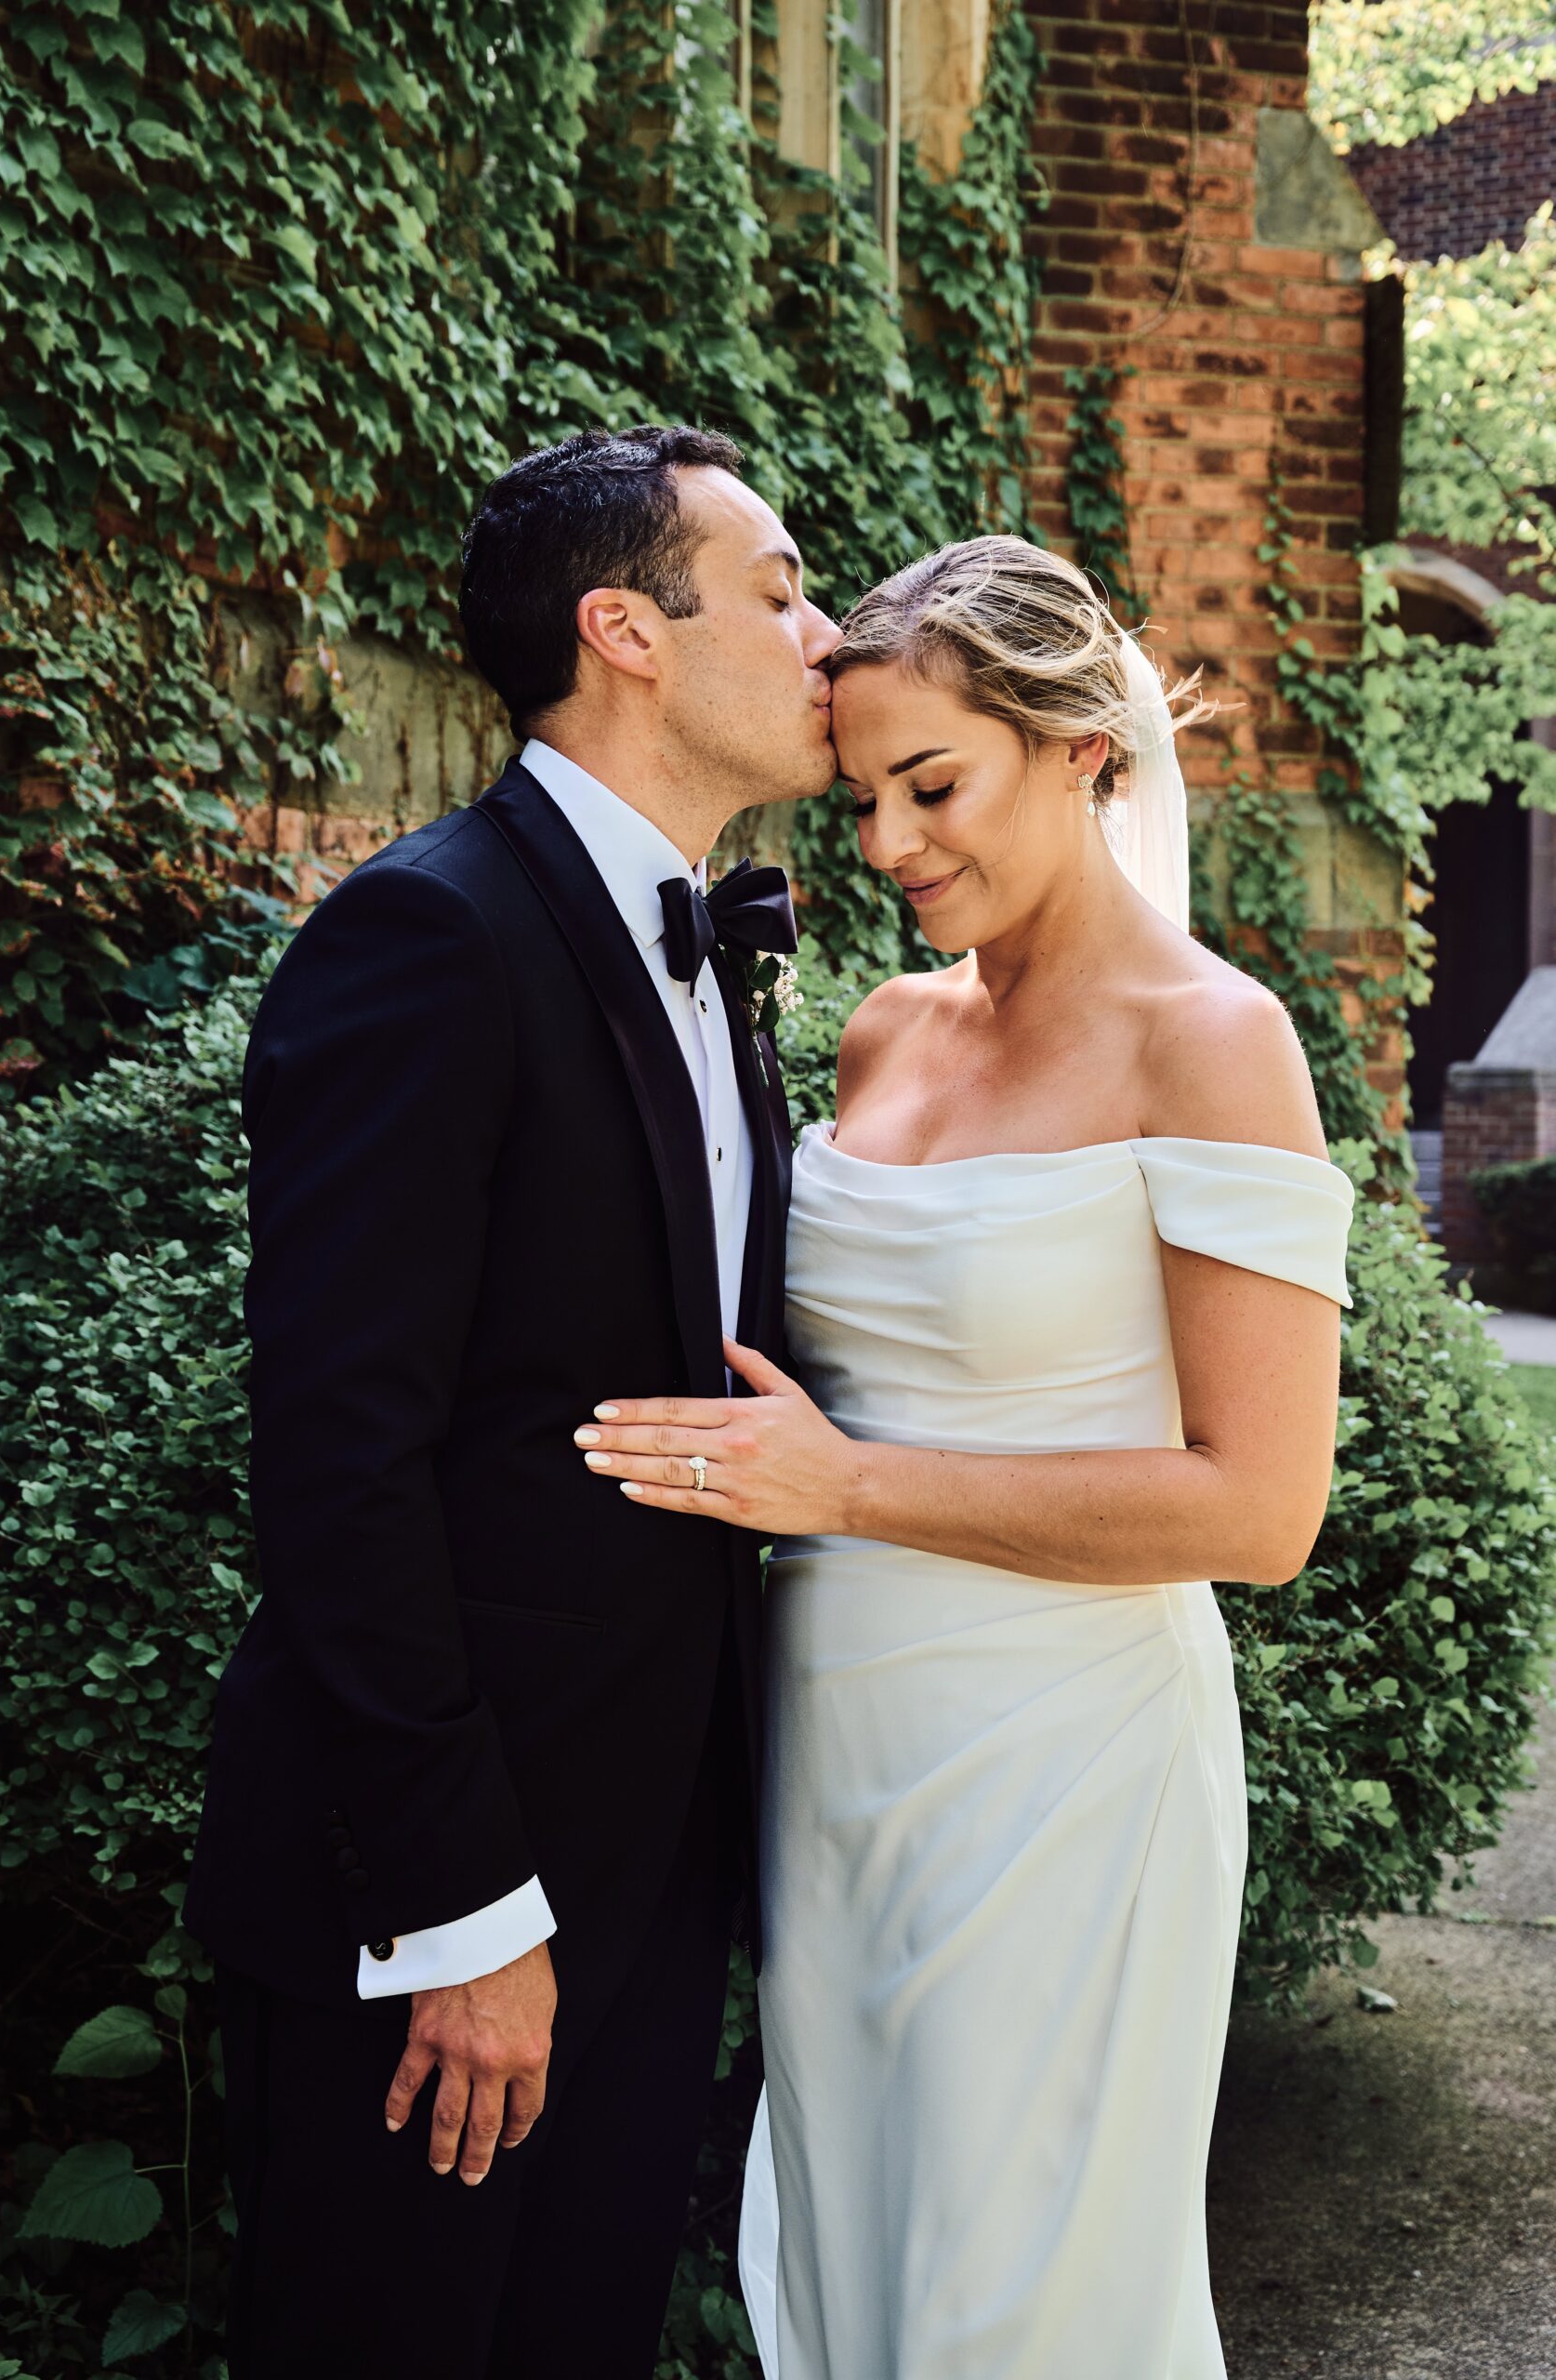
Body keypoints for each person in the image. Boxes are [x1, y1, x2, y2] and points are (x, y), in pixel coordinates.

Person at [575, 536, 1355, 2379]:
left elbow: (1260, 1506)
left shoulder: (1218, 1044)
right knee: (857, 2255)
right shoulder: (881, 1034)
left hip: (1070, 1758)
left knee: (1025, 2290)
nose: (890, 844)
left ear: (1084, 744)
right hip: (843, 1754)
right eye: (862, 798)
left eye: (936, 785)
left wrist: (846, 1489)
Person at [184, 423, 840, 2379]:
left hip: (657, 1865)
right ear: (624, 629)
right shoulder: (432, 935)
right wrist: (467, 1905)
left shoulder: (710, 952)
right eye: (783, 589)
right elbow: (337, 1452)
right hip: (449, 1893)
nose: (826, 636)